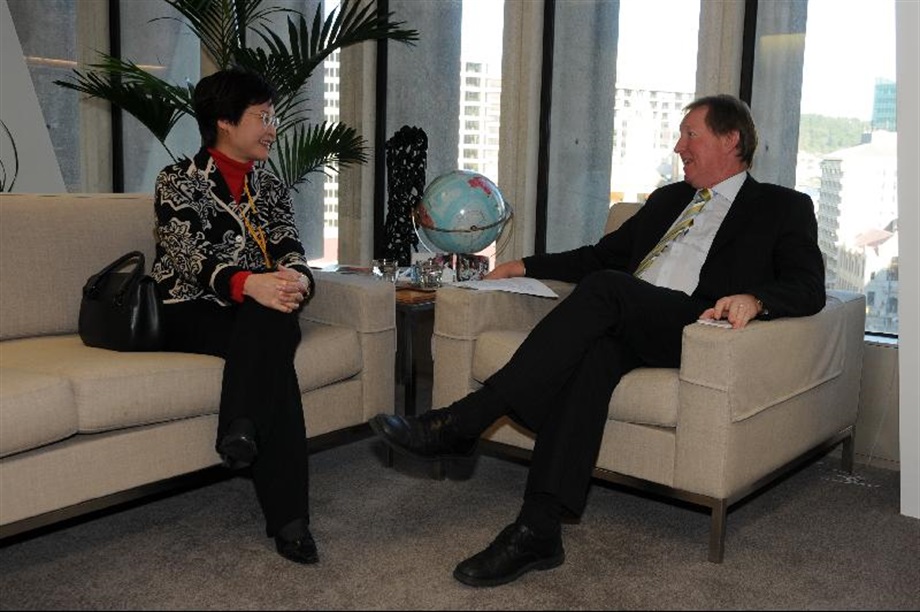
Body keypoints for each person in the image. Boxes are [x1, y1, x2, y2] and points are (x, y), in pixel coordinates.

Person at [369, 94, 826, 586]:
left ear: (731, 139)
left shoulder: (781, 207)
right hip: (629, 321)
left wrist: (756, 298)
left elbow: (808, 285)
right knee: (595, 357)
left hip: (696, 326)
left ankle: (465, 421)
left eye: (690, 134)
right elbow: (600, 255)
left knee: (609, 289)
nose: (679, 146)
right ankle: (538, 528)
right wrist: (526, 265)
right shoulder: (669, 200)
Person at [152, 68, 318, 564]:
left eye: (272, 116)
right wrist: (250, 284)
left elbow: (291, 247)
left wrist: (299, 280)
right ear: (225, 121)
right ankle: (291, 522)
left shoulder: (268, 186)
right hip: (191, 309)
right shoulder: (177, 180)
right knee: (271, 326)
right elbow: (186, 254)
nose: (272, 127)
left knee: (273, 318)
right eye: (262, 117)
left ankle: (241, 428)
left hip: (256, 311)